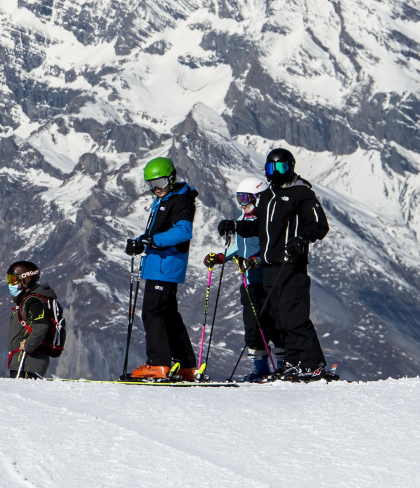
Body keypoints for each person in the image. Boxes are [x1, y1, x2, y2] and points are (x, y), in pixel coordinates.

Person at [219, 149, 332, 381]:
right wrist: (235, 226)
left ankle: (313, 363)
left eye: (280, 168)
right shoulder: (269, 194)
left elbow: (319, 224)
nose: (276, 173)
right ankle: (292, 363)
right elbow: (257, 227)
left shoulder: (302, 193)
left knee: (295, 317)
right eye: (271, 168)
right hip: (270, 267)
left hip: (291, 265)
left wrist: (302, 240)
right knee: (279, 320)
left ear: (290, 166)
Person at [124, 157, 198, 381]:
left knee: (153, 313)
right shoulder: (165, 199)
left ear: (172, 178)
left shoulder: (181, 200)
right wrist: (139, 242)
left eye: (162, 182)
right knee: (169, 316)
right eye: (152, 184)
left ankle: (158, 364)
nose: (156, 188)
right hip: (160, 265)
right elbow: (156, 232)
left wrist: (152, 240)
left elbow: (183, 231)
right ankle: (185, 366)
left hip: (166, 266)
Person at [204, 177, 281, 382]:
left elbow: (269, 250)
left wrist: (255, 262)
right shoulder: (243, 220)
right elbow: (239, 248)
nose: (242, 203)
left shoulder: (265, 221)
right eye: (239, 198)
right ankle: (260, 368)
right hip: (249, 282)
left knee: (275, 324)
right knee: (253, 326)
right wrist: (221, 257)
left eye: (246, 198)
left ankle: (283, 366)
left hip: (268, 281)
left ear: (258, 198)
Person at [5, 261, 59, 379]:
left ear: (26, 279)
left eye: (13, 280)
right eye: (9, 279)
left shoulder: (33, 301)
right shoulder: (27, 300)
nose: (10, 284)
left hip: (28, 362)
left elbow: (41, 326)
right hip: (23, 361)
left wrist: (28, 346)